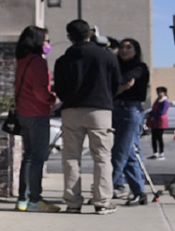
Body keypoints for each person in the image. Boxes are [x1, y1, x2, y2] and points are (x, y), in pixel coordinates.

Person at [52, 19, 122, 215]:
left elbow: (60, 89)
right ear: (90, 34)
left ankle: (73, 203)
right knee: (102, 157)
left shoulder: (63, 60)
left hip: (71, 110)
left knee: (71, 158)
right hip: (100, 110)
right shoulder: (107, 57)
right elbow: (116, 84)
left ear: (69, 37)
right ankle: (102, 202)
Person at [12, 26, 60, 213]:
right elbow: (40, 91)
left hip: (23, 113)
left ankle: (23, 199)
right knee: (38, 157)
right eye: (46, 40)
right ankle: (34, 199)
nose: (48, 44)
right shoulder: (38, 62)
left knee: (29, 156)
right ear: (38, 42)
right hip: (37, 113)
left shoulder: (22, 61)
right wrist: (52, 99)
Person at [111, 39, 149, 205]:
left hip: (131, 111)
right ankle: (139, 192)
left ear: (136, 50)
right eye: (122, 48)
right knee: (129, 152)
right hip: (115, 109)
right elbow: (114, 83)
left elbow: (124, 80)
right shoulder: (115, 65)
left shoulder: (140, 67)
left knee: (120, 152)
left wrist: (118, 88)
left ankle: (105, 189)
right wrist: (119, 88)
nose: (124, 51)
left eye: (129, 47)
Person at [148, 87, 170, 160]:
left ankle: (161, 153)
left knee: (159, 137)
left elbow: (162, 111)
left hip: (160, 121)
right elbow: (153, 109)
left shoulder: (165, 102)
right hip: (154, 121)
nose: (158, 93)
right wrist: (150, 115)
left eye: (160, 92)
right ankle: (155, 153)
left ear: (164, 93)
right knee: (154, 137)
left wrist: (154, 116)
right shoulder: (157, 101)